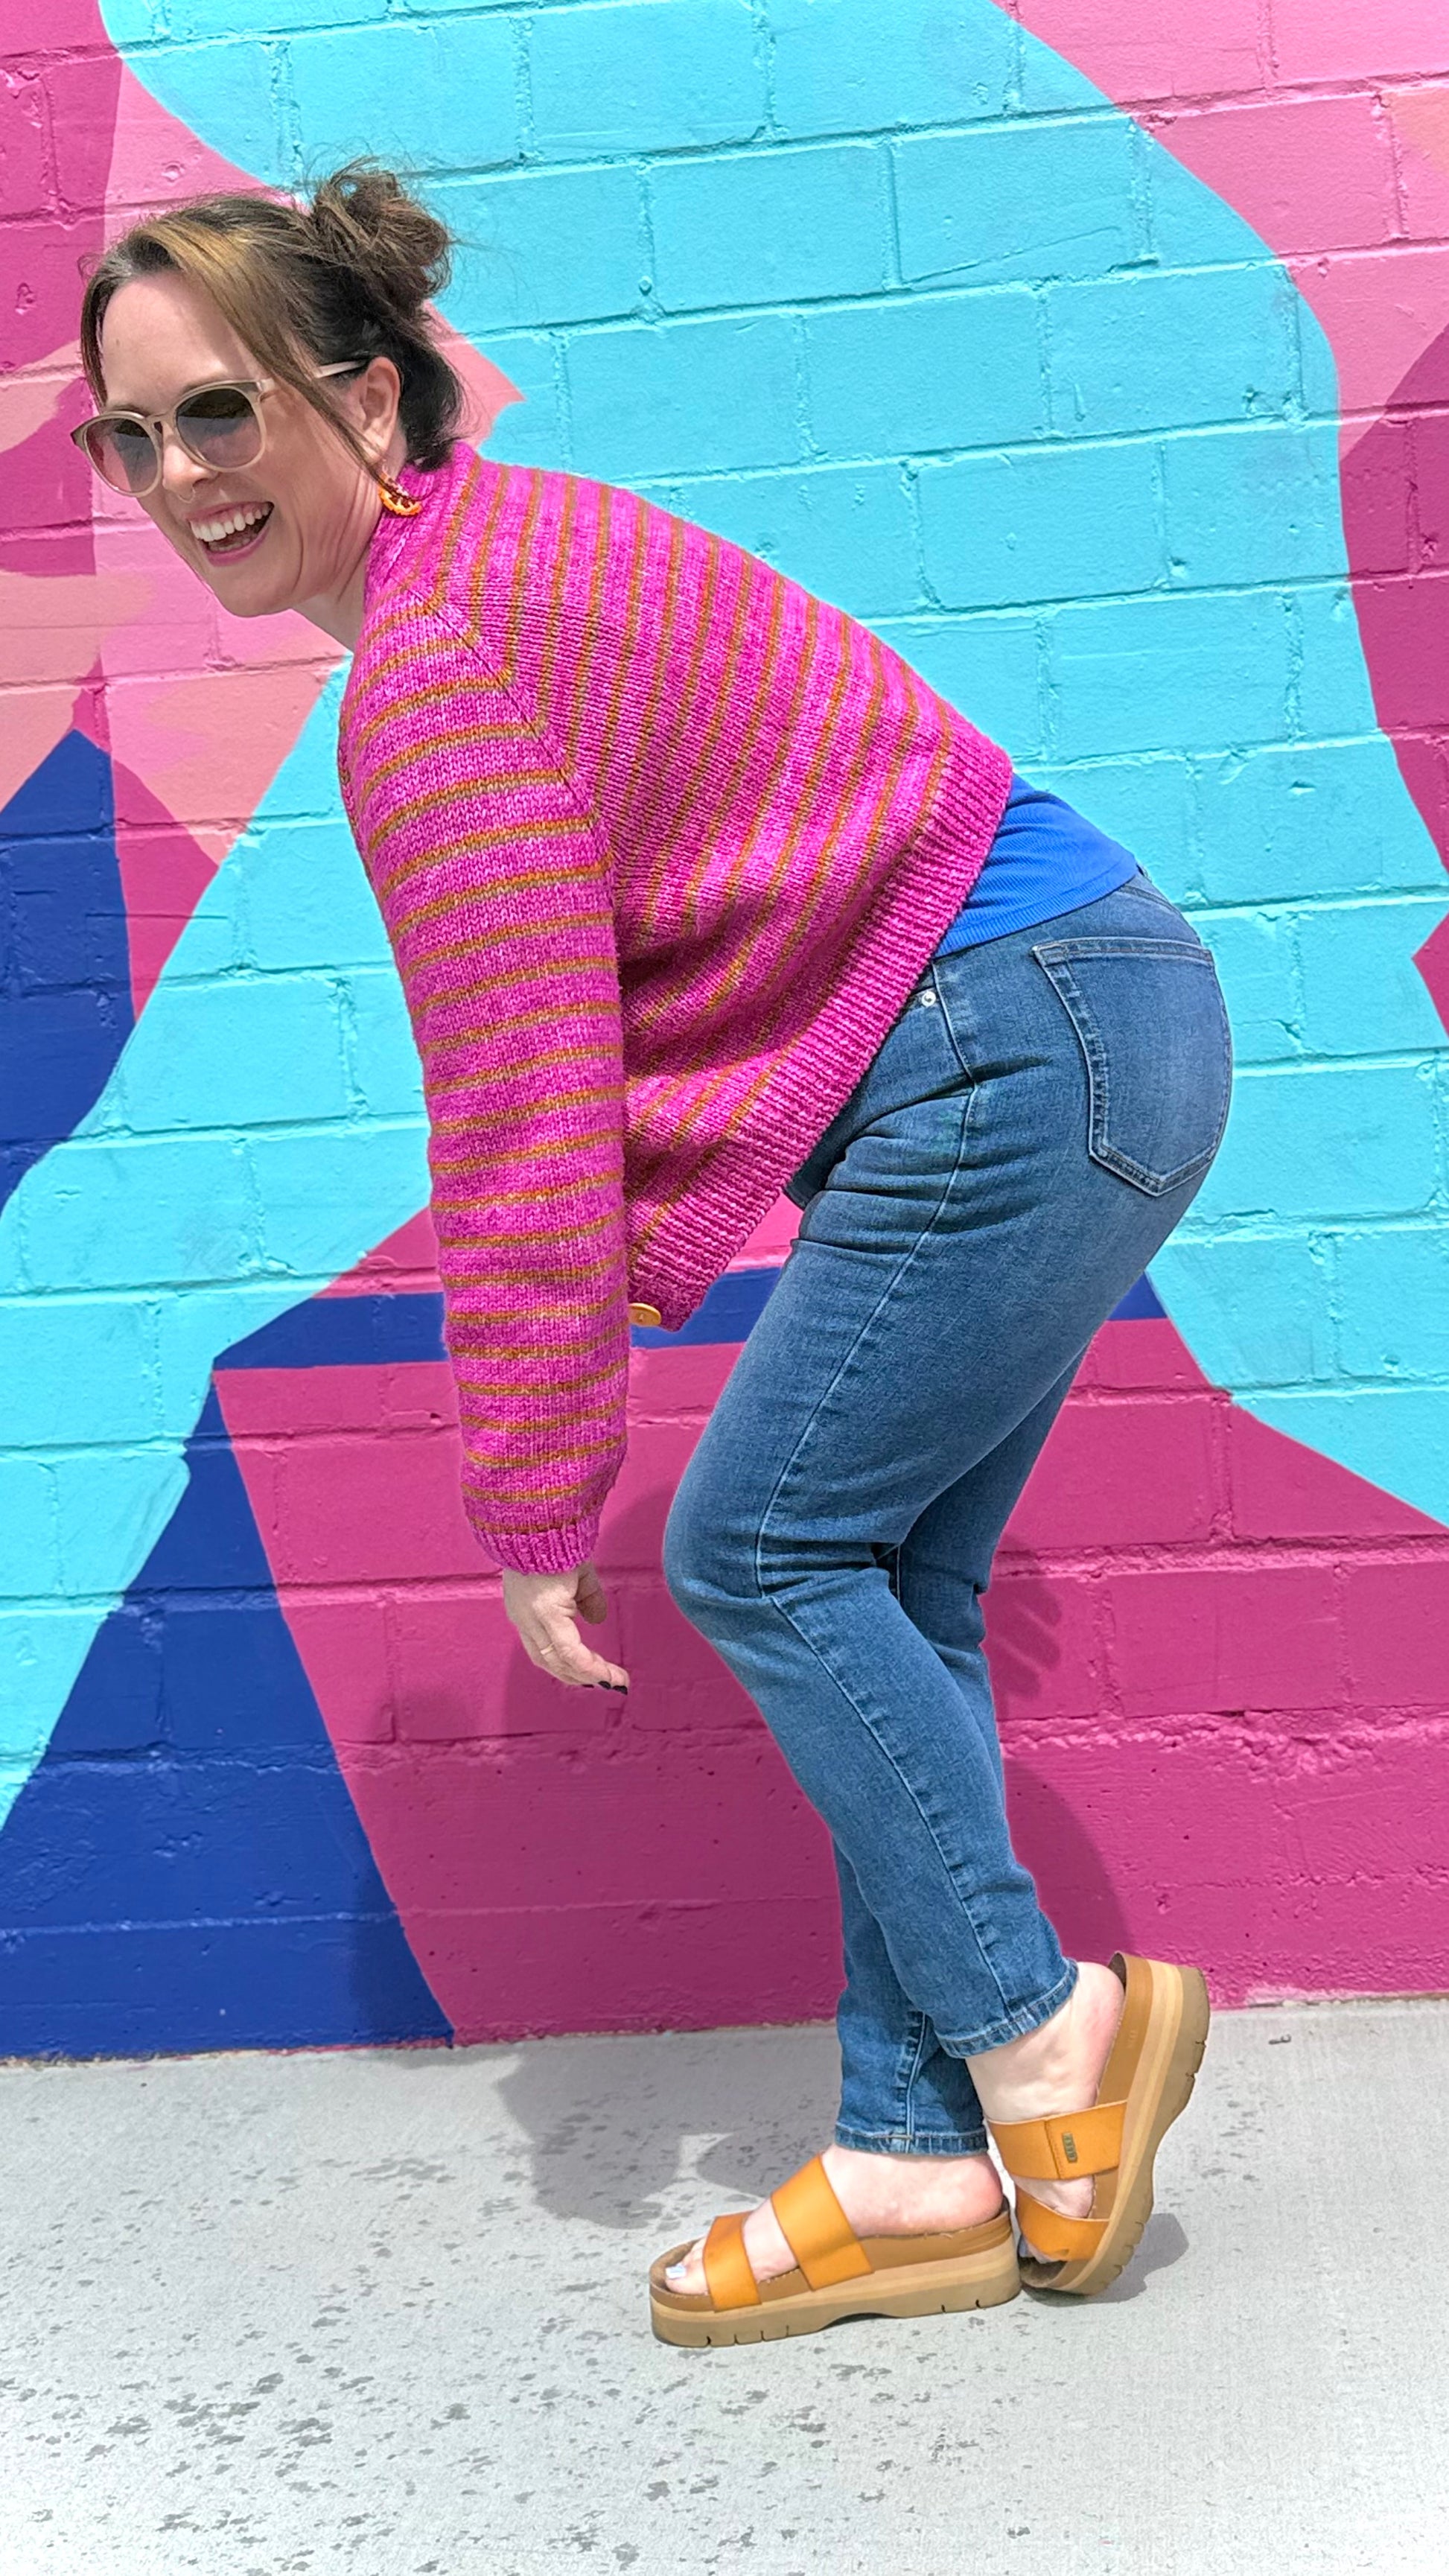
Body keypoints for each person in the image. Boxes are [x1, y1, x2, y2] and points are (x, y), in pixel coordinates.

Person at [74, 164, 1231, 2348]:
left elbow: (526, 1105)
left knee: (761, 1553)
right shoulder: (502, 555)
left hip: (1012, 1042)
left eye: (218, 409)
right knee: (889, 1590)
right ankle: (912, 2162)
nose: (176, 475)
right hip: (1086, 1016)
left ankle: (1041, 2028)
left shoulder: (435, 668)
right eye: (126, 436)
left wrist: (531, 1488)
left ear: (367, 398)